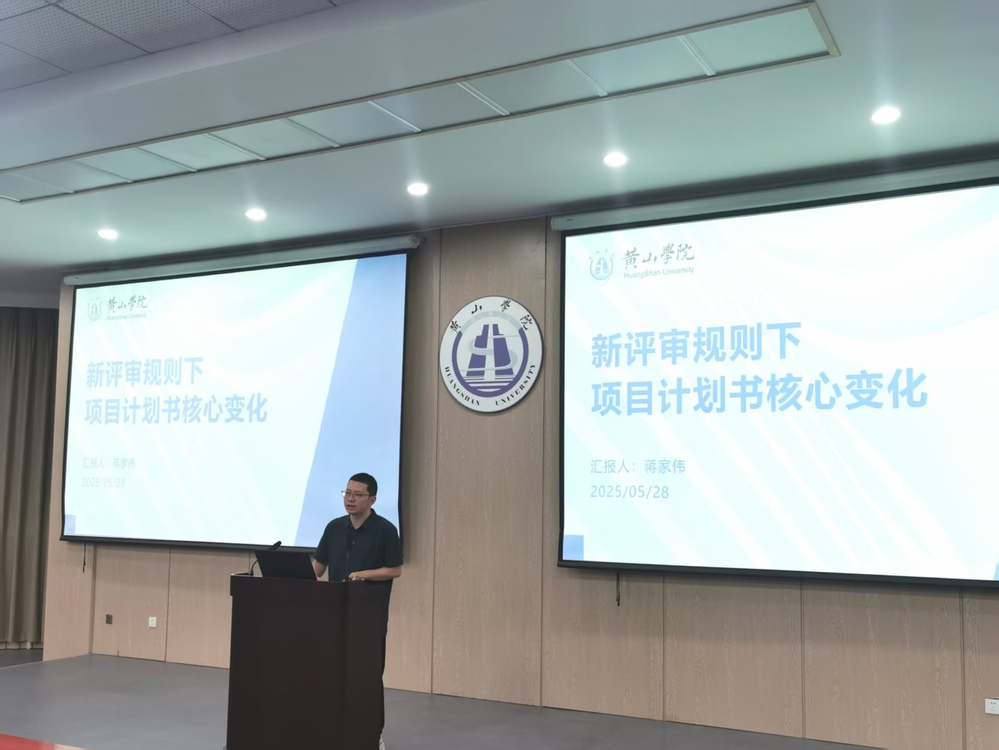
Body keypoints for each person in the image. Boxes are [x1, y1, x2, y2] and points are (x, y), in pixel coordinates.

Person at [313, 472, 402, 750]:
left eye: (357, 494)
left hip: (369, 617)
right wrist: (296, 575)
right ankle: (332, 728)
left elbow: (394, 570)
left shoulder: (385, 530)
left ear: (371, 499)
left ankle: (373, 733)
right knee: (332, 674)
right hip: (334, 615)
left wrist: (364, 574)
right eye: (347, 493)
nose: (350, 499)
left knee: (368, 679)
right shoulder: (334, 527)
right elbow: (319, 566)